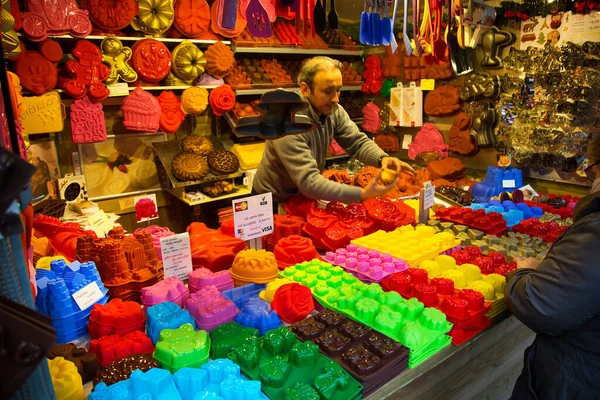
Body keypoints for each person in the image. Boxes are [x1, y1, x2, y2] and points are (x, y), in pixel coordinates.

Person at [506, 134, 600, 399]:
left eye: (590, 168)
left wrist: (523, 272)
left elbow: (539, 304)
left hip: (577, 378)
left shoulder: (596, 231)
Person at [252, 56, 415, 206]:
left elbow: (357, 142)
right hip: (270, 200)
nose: (336, 98)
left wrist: (382, 158)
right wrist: (361, 194)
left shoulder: (334, 110)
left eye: (338, 90)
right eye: (328, 91)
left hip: (301, 196)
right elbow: (310, 182)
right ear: (305, 89)